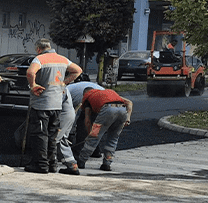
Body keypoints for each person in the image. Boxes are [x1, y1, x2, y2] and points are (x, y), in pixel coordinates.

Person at [24, 38, 82, 174]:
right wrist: (64, 82)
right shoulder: (62, 59)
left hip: (42, 104)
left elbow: (30, 72)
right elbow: (77, 70)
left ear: (38, 49)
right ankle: (52, 164)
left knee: (40, 134)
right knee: (52, 135)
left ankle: (41, 165)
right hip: (57, 105)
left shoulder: (39, 59)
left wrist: (33, 86)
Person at [77, 85, 134, 172]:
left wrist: (90, 134)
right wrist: (128, 118)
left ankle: (81, 161)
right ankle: (107, 163)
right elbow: (129, 103)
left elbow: (87, 120)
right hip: (123, 111)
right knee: (113, 138)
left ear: (85, 93)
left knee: (94, 136)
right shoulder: (107, 92)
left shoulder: (88, 98)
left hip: (107, 110)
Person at [56, 80, 101, 175]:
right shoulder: (70, 89)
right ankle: (95, 150)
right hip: (103, 98)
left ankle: (79, 155)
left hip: (93, 98)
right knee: (95, 127)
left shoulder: (63, 91)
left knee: (82, 125)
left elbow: (67, 111)